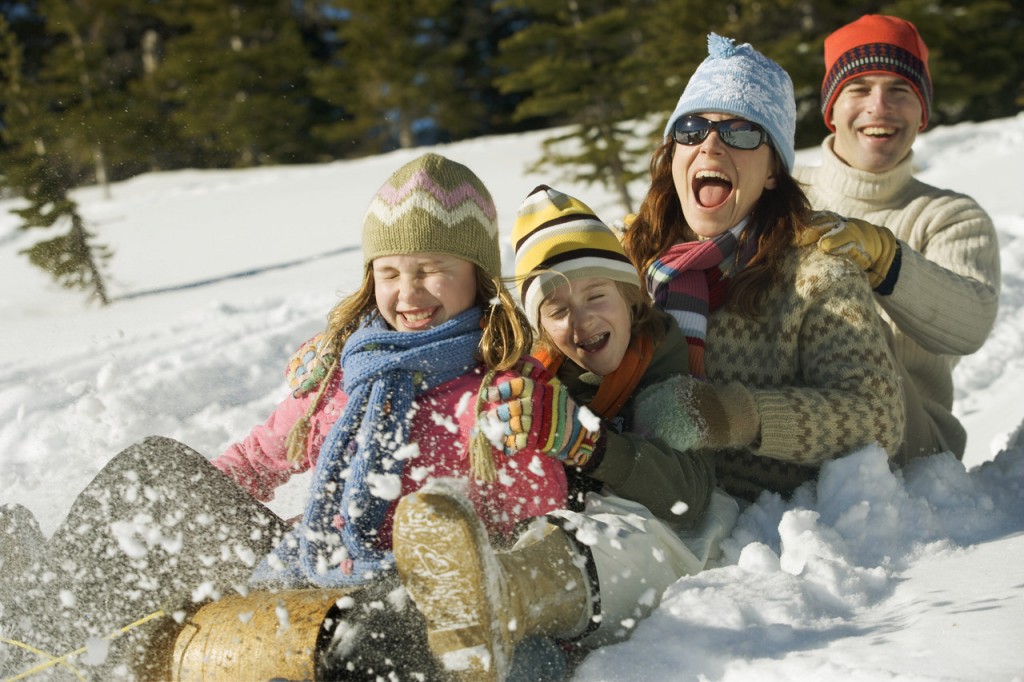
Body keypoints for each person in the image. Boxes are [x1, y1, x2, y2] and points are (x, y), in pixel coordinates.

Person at [0, 153, 569, 681]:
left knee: (371, 631)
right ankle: (41, 620)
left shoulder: (501, 389)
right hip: (306, 561)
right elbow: (255, 459)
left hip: (405, 601)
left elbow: (534, 520)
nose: (407, 291)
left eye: (431, 269)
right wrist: (182, 515)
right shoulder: (343, 372)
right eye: (390, 272)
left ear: (478, 274)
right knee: (151, 470)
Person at [392, 185, 738, 682]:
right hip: (562, 546)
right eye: (556, 310)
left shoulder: (663, 362)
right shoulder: (537, 375)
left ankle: (503, 596)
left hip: (658, 534)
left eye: (596, 295)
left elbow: (687, 496)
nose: (581, 319)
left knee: (624, 537)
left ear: (629, 297)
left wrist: (586, 444)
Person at [617, 33, 905, 502]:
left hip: (763, 531)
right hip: (636, 492)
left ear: (773, 170)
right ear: (674, 155)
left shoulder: (817, 275)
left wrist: (732, 416)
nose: (710, 146)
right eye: (691, 129)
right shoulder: (629, 258)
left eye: (741, 132)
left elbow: (878, 419)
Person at [793, 14, 1001, 461]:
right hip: (785, 420)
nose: (879, 106)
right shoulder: (784, 193)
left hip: (909, 442)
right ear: (832, 109)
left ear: (922, 112)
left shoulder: (948, 217)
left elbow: (972, 323)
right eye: (859, 88)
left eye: (900, 90)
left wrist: (887, 262)